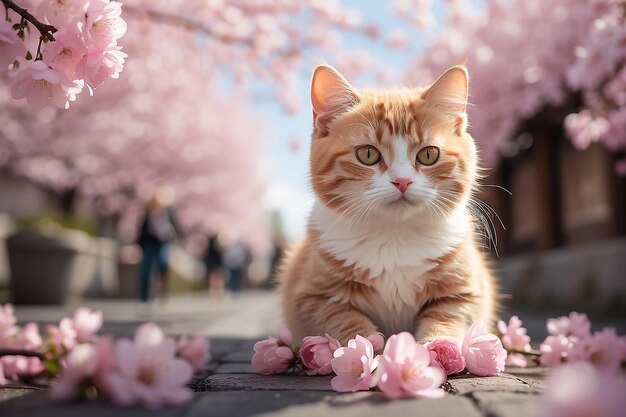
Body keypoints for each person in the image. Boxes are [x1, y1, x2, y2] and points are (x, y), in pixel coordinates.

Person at [136, 187, 181, 303]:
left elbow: (176, 225)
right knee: (146, 268)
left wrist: (178, 237)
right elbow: (142, 228)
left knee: (163, 264)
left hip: (163, 242)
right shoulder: (149, 211)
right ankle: (144, 297)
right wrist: (139, 243)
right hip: (149, 243)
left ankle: (162, 292)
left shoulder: (168, 211)